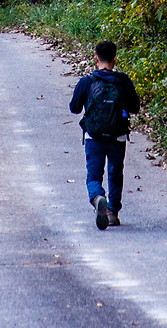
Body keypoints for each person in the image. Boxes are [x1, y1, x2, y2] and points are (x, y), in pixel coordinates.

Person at [69, 40, 140, 230]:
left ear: (96, 58)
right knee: (115, 174)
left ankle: (98, 197)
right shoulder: (123, 81)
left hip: (94, 136)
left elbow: (74, 108)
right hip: (118, 136)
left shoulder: (86, 82)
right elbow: (135, 108)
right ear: (115, 58)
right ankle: (112, 212)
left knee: (93, 176)